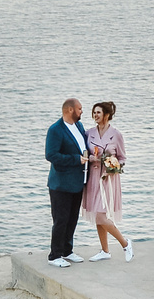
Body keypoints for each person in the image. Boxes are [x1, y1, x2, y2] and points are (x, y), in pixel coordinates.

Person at [82, 100, 132, 261]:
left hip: (108, 180)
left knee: (102, 215)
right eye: (94, 112)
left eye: (98, 112)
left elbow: (122, 158)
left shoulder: (116, 135)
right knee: (98, 214)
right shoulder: (89, 133)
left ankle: (125, 244)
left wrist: (114, 165)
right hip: (93, 178)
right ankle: (105, 251)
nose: (95, 115)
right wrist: (91, 157)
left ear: (107, 115)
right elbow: (84, 154)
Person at [43, 97, 90, 266]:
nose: (82, 111)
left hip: (77, 181)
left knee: (72, 218)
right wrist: (75, 159)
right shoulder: (55, 130)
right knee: (61, 219)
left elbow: (82, 147)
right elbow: (51, 155)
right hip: (60, 184)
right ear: (70, 110)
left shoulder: (79, 126)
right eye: (79, 108)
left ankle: (67, 251)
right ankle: (55, 256)